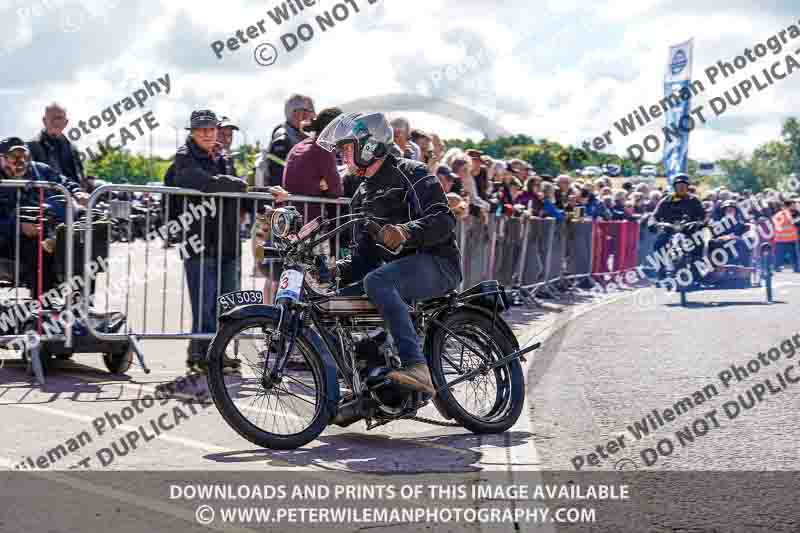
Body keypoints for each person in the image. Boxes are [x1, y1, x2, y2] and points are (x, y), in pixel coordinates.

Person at [317, 111, 462, 395]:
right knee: (332, 305)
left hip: (438, 263)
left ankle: (416, 366)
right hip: (397, 272)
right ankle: (366, 383)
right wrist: (336, 270)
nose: (343, 157)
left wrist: (406, 231)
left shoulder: (413, 172)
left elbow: (443, 220)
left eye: (346, 149)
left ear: (369, 145)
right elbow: (364, 259)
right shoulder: (361, 195)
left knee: (377, 281)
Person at [170, 110, 248, 374]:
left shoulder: (223, 157)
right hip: (198, 241)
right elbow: (200, 181)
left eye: (210, 128)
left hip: (227, 240)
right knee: (204, 303)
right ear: (192, 132)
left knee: (226, 303)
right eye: (201, 129)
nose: (206, 133)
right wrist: (234, 184)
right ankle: (201, 354)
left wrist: (264, 196)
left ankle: (216, 352)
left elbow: (240, 192)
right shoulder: (184, 155)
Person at [0, 136, 87, 298]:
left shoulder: (41, 170)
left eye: (24, 156)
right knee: (39, 249)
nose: (21, 162)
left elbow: (64, 182)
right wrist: (17, 226)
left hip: (48, 231)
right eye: (14, 157)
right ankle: (44, 309)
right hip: (9, 240)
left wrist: (77, 192)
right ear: (1, 159)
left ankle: (83, 305)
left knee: (85, 245)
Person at [648, 174, 706, 280]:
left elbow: (704, 215)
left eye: (684, 185)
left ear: (688, 186)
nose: (681, 187)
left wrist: (701, 223)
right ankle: (661, 270)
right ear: (674, 186)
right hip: (670, 230)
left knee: (699, 242)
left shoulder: (694, 200)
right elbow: (654, 215)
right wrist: (652, 223)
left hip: (689, 231)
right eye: (679, 185)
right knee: (659, 243)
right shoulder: (666, 200)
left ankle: (696, 270)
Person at [256, 94, 315, 187]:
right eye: (311, 111)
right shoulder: (282, 140)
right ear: (298, 114)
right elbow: (279, 177)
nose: (314, 116)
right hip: (287, 199)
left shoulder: (298, 135)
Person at [27, 103, 84, 187]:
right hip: (48, 195)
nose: (56, 121)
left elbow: (80, 176)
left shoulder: (72, 147)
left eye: (60, 118)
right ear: (44, 120)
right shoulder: (31, 146)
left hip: (75, 193)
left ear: (66, 122)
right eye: (53, 118)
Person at [772, 199, 799, 272]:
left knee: (794, 256)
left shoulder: (795, 213)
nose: (795, 207)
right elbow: (779, 224)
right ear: (788, 206)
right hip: (781, 240)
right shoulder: (780, 215)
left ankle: (796, 268)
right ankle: (776, 268)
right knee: (779, 256)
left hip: (791, 239)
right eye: (793, 205)